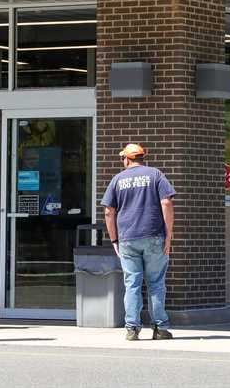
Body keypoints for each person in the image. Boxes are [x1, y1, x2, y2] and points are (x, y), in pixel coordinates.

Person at [101, 143, 176, 341]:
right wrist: (168, 236)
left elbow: (109, 211)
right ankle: (160, 328)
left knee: (132, 284)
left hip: (127, 238)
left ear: (126, 159)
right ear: (142, 157)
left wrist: (114, 239)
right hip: (154, 236)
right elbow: (166, 203)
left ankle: (132, 329)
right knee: (156, 283)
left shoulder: (117, 179)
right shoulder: (156, 175)